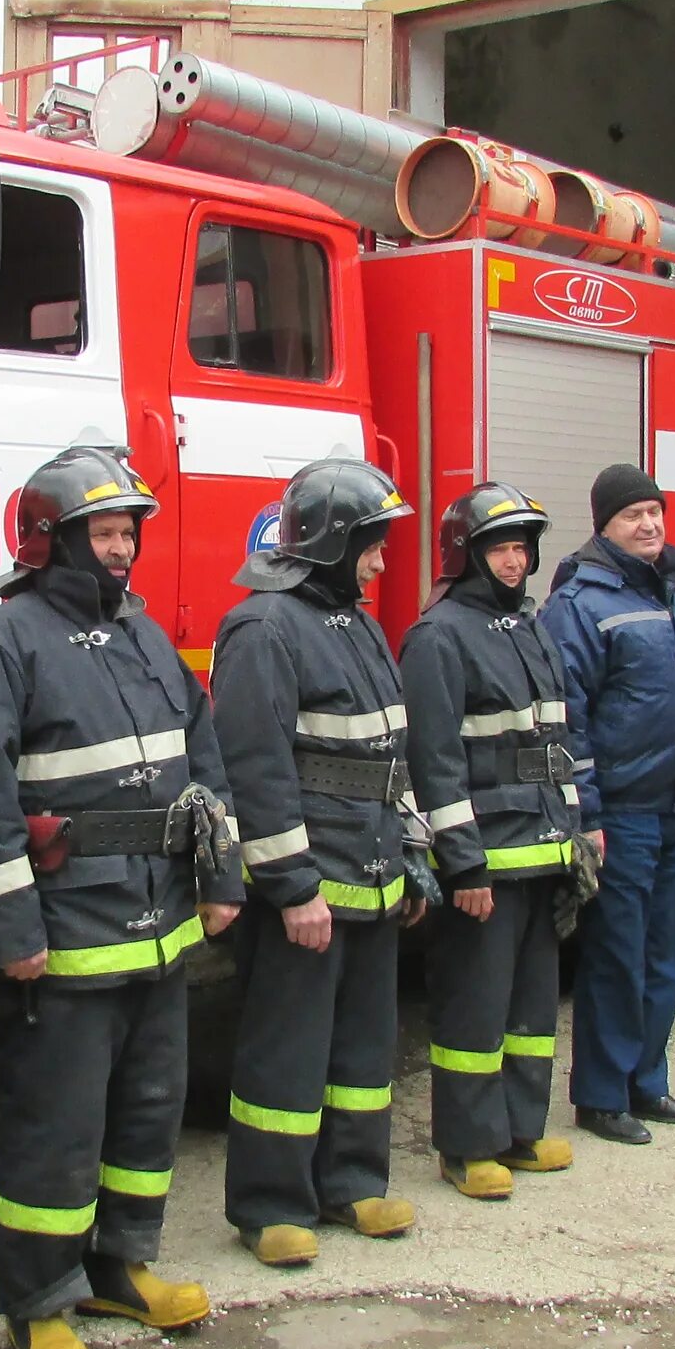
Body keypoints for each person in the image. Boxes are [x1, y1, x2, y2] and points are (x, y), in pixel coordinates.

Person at [0, 447, 242, 1349]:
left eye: (126, 533)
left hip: (159, 932)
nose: (119, 551)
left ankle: (119, 1266)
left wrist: (221, 879)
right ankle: (38, 1303)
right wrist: (13, 933)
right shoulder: (3, 643)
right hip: (67, 938)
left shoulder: (144, 636)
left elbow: (204, 758)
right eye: (101, 533)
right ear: (49, 541)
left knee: (148, 1114)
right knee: (55, 1128)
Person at [211, 459, 423, 1265]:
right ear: (335, 542)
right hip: (310, 888)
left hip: (373, 874)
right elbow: (256, 769)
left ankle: (353, 1184)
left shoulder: (357, 622)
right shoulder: (263, 627)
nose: (380, 561)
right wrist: (293, 889)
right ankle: (270, 1207)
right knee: (287, 1053)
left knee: (364, 1051)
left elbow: (391, 753)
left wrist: (414, 856)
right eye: (371, 544)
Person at [399, 483, 588, 1198]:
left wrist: (574, 839)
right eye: (500, 549)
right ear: (467, 555)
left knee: (533, 1011)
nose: (514, 562)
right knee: (474, 1011)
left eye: (521, 548)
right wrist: (463, 866)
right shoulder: (439, 635)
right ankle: (467, 1146)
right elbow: (436, 762)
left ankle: (521, 1132)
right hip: (487, 866)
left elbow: (557, 744)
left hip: (542, 853)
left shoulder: (530, 628)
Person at [543, 464, 675, 1147]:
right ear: (604, 526)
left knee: (663, 952)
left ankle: (648, 1082)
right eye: (633, 516)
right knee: (616, 956)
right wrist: (587, 816)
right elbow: (570, 721)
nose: (649, 524)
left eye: (655, 511)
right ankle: (601, 1094)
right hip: (619, 815)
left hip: (674, 809)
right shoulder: (581, 604)